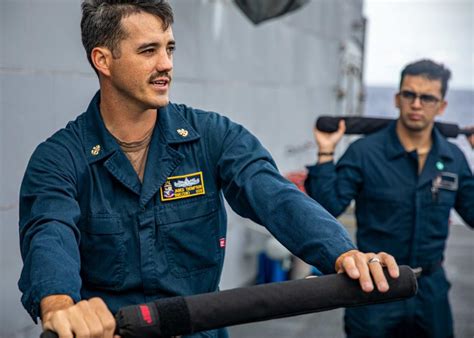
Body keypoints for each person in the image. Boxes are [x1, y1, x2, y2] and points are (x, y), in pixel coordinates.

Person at [18, 1, 398, 337]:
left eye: (169, 48)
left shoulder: (213, 136)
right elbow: (49, 234)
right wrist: (60, 308)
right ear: (103, 60)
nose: (166, 64)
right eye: (148, 50)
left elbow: (274, 196)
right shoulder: (58, 160)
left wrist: (343, 253)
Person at [305, 59, 474, 338]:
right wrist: (325, 154)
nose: (416, 104)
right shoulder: (364, 152)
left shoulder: (453, 158)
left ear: (441, 106)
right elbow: (327, 207)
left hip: (431, 291)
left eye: (427, 97)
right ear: (397, 99)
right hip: (375, 289)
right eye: (409, 94)